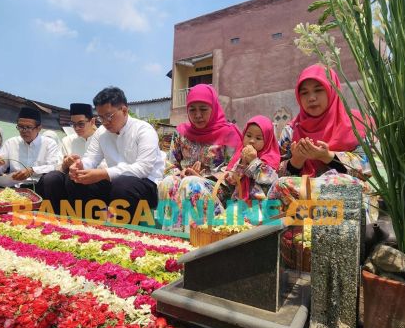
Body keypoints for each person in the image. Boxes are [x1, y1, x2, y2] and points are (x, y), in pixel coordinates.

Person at [39, 86, 164, 220]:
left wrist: (104, 173)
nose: (105, 122)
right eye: (101, 117)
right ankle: (88, 225)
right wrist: (80, 166)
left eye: (109, 116)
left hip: (144, 184)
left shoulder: (144, 130)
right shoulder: (101, 133)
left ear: (124, 110)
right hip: (114, 180)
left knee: (122, 185)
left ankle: (121, 232)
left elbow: (143, 168)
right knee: (75, 180)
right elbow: (91, 158)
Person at [268, 64, 377, 216]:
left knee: (337, 183)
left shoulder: (358, 123)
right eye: (304, 93)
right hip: (306, 197)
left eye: (318, 90)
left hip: (346, 199)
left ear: (332, 90)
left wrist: (326, 156)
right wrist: (296, 161)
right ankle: (288, 236)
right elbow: (275, 174)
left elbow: (372, 168)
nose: (311, 98)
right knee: (279, 186)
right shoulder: (291, 130)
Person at [156, 84, 242, 230]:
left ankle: (194, 237)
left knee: (192, 183)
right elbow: (170, 164)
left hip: (217, 189)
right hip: (183, 181)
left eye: (203, 109)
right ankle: (172, 236)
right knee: (167, 182)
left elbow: (233, 172)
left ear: (213, 108)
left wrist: (201, 177)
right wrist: (180, 173)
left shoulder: (228, 133)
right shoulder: (181, 133)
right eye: (192, 110)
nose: (197, 115)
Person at [0, 107, 60, 188]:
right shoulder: (11, 142)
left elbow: (53, 166)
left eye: (28, 127)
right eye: (20, 127)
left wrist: (32, 170)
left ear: (39, 128)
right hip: (15, 185)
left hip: (39, 185)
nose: (23, 131)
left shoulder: (49, 143)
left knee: (53, 178)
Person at [225, 115, 280, 203]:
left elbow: (269, 179)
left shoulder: (269, 158)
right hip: (239, 201)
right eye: (249, 135)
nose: (252, 141)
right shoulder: (240, 156)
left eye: (258, 138)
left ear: (267, 140)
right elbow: (233, 180)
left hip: (261, 204)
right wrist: (242, 163)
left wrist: (253, 161)